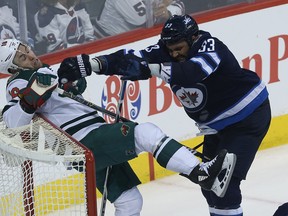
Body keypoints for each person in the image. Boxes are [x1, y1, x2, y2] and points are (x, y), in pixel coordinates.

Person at [57, 14, 271, 216]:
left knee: (225, 186)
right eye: (170, 50)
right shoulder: (166, 50)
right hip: (216, 127)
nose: (174, 54)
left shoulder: (210, 46)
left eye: (179, 48)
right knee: (209, 184)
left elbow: (192, 72)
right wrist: (92, 65)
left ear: (193, 38)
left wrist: (149, 69)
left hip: (247, 117)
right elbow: (132, 57)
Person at [0, 39, 236, 216]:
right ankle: (201, 173)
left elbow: (71, 89)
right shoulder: (19, 82)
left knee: (129, 202)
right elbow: (13, 121)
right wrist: (31, 97)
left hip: (87, 142)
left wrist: (68, 81)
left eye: (26, 49)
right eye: (21, 58)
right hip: (82, 140)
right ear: (13, 69)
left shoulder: (44, 70)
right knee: (146, 133)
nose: (30, 56)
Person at [93, 0, 185, 39]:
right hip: (105, 46)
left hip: (129, 43)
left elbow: (180, 5)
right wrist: (165, 6)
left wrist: (167, 12)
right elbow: (148, 24)